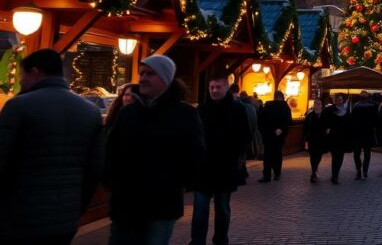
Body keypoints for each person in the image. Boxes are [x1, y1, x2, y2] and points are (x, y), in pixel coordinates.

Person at [0, 49, 104, 245]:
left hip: (19, 216)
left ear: (35, 72)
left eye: (22, 75)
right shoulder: (90, 111)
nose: (20, 81)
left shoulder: (18, 106)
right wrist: (77, 207)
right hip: (65, 217)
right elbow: (94, 169)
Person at [105, 55, 205, 245]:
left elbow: (195, 156)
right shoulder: (128, 113)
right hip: (125, 204)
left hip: (161, 205)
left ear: (166, 79)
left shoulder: (185, 114)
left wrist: (170, 182)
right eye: (142, 73)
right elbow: (111, 150)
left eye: (150, 74)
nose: (143, 78)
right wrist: (113, 184)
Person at [190, 70, 250, 245]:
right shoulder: (201, 109)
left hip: (225, 167)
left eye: (217, 87)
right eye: (211, 87)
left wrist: (234, 153)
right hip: (203, 169)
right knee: (200, 209)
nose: (214, 90)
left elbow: (245, 135)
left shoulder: (238, 110)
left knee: (222, 208)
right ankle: (197, 241)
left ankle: (221, 239)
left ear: (226, 87)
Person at [258, 90, 292, 182]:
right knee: (278, 154)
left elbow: (261, 121)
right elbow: (288, 121)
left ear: (274, 97)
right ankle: (277, 174)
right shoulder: (286, 107)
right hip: (279, 136)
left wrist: (267, 131)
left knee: (267, 155)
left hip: (268, 136)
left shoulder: (267, 106)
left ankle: (267, 175)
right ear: (282, 97)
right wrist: (281, 129)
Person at [322, 93, 353, 184]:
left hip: (343, 137)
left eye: (340, 100)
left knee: (340, 157)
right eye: (338, 100)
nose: (339, 101)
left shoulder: (346, 111)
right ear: (335, 100)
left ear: (342, 100)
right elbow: (326, 121)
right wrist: (327, 128)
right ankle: (334, 175)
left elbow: (349, 124)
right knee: (335, 156)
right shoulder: (330, 110)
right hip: (334, 136)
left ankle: (336, 174)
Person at [351, 90, 378, 179]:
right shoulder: (373, 105)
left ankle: (358, 171)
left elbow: (353, 120)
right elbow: (375, 120)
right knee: (367, 153)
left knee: (357, 153)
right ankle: (365, 170)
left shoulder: (356, 105)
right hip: (368, 132)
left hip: (357, 133)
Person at [304, 97, 328, 182]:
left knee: (318, 156)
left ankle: (314, 169)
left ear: (322, 105)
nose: (318, 106)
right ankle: (313, 172)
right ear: (313, 105)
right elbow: (305, 128)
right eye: (316, 104)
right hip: (312, 140)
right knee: (313, 156)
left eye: (319, 104)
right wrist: (305, 140)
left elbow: (328, 126)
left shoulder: (325, 115)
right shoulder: (310, 116)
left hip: (321, 139)